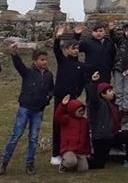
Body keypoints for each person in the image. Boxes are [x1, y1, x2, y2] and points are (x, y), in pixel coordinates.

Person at [0, 44, 54, 176]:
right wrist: (15, 54)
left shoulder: (49, 75)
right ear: (35, 61)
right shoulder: (28, 72)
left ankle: (30, 163)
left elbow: (52, 89)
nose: (44, 62)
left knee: (33, 138)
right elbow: (19, 65)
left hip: (38, 110)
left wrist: (47, 98)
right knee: (16, 135)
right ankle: (4, 162)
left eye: (46, 59)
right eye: (41, 60)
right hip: (25, 108)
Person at [51, 24, 89, 165]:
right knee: (57, 124)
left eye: (77, 48)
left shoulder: (81, 65)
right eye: (73, 48)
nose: (76, 50)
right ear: (67, 50)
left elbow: (82, 82)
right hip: (60, 98)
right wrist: (58, 37)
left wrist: (76, 94)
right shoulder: (63, 61)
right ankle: (55, 154)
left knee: (71, 125)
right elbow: (56, 50)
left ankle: (70, 151)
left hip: (72, 99)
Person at [85, 71, 128, 169]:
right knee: (99, 164)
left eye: (112, 90)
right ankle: (80, 161)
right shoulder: (97, 104)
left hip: (112, 135)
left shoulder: (113, 105)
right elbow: (92, 97)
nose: (113, 93)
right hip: (101, 137)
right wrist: (93, 82)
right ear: (102, 94)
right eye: (109, 91)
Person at [54, 96, 91, 173]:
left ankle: (73, 164)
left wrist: (87, 151)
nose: (82, 112)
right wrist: (63, 105)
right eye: (79, 111)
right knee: (71, 161)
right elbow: (57, 117)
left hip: (80, 151)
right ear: (73, 110)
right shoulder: (66, 119)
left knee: (83, 169)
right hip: (68, 149)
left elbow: (87, 137)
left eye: (83, 111)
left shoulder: (85, 121)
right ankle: (63, 165)